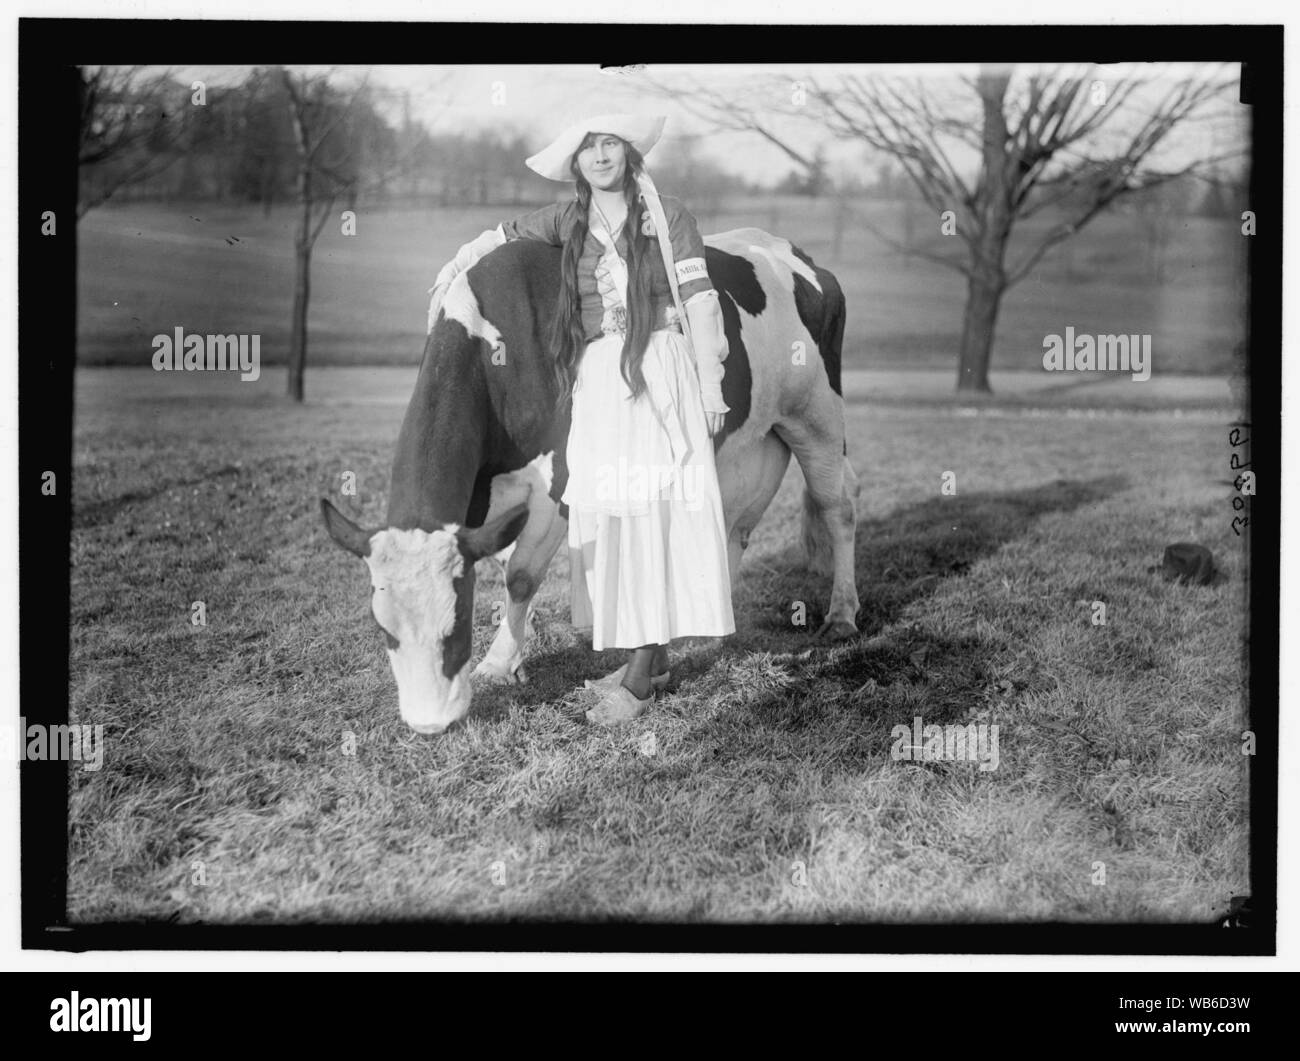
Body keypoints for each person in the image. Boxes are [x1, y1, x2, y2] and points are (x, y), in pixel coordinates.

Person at [427, 114, 735, 725]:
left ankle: (643, 681)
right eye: (589, 148)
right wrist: (450, 274)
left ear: (628, 153)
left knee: (655, 518)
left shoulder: (667, 214)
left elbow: (700, 301)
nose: (600, 157)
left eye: (611, 144)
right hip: (599, 380)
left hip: (660, 371)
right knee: (617, 520)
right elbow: (498, 236)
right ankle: (650, 660)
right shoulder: (567, 219)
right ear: (576, 162)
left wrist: (712, 384)